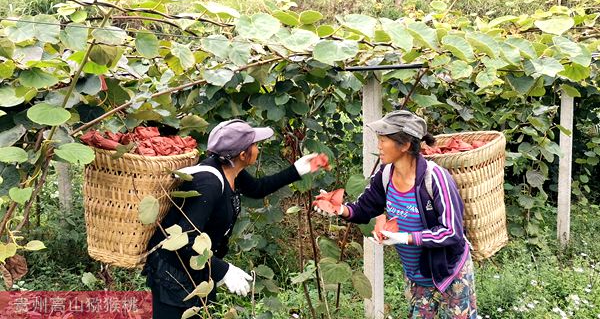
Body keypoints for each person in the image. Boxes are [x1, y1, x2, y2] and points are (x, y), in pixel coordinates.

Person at [143, 119, 325, 318]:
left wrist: (297, 170)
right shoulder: (209, 184)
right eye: (254, 145)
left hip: (200, 266)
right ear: (242, 154)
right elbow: (184, 240)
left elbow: (258, 189)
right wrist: (224, 270)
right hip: (174, 271)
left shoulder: (231, 170)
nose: (258, 148)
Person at [313, 110, 477, 319]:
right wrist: (338, 208)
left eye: (383, 140)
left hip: (450, 274)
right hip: (418, 277)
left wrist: (405, 238)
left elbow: (452, 231)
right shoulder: (385, 175)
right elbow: (364, 209)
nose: (379, 145)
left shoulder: (435, 179)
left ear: (405, 144)